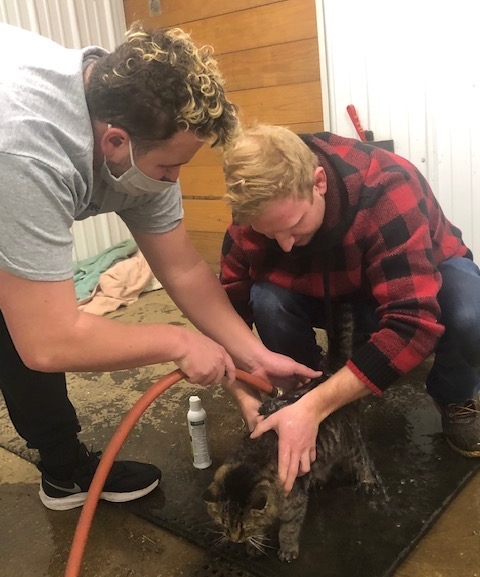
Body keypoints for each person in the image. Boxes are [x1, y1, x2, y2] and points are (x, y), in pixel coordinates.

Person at [0, 25, 320, 511]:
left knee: (24, 304)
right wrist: (179, 341)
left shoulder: (140, 113)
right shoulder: (26, 151)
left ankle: (64, 469)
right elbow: (48, 341)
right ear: (114, 142)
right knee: (28, 320)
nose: (174, 181)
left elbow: (185, 269)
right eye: (169, 170)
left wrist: (252, 356)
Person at [220, 124, 480, 492]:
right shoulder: (251, 216)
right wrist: (247, 398)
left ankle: (454, 397)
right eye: (269, 233)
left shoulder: (388, 186)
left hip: (418, 278)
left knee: (471, 310)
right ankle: (301, 394)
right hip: (324, 287)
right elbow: (226, 317)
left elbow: (413, 324)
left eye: (294, 226)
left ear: (319, 182)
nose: (286, 245)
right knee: (266, 298)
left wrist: (319, 406)